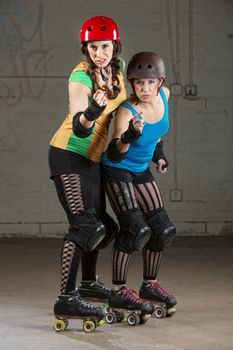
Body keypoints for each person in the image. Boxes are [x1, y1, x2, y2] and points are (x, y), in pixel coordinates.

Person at [48, 16, 127, 322]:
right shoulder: (81, 77)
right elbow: (81, 128)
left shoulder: (118, 70)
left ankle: (89, 283)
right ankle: (66, 298)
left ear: (115, 46)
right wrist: (91, 112)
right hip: (68, 153)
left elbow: (130, 105)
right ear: (86, 49)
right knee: (84, 226)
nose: (99, 53)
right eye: (93, 47)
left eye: (104, 46)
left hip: (91, 159)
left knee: (103, 226)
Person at [101, 51, 177, 316]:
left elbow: (157, 136)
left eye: (150, 82)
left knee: (161, 229)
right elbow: (114, 152)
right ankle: (119, 291)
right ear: (131, 84)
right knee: (135, 230)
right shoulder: (127, 111)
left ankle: (149, 285)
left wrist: (160, 157)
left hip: (141, 170)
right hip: (117, 170)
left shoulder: (166, 97)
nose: (145, 88)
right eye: (139, 83)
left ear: (160, 82)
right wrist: (131, 134)